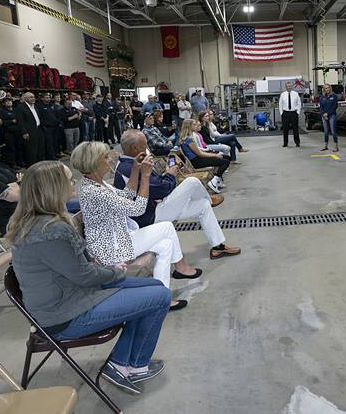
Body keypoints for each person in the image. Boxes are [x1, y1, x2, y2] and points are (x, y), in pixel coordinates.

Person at [8, 160, 170, 395]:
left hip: (71, 296)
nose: (74, 182)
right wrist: (122, 268)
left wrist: (106, 265)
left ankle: (124, 363)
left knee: (154, 287)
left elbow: (78, 267)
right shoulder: (50, 229)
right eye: (69, 180)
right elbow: (84, 275)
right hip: (65, 315)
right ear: (54, 187)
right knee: (160, 295)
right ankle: (128, 365)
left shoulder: (42, 220)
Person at [72, 141, 199, 311]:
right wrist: (144, 177)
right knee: (167, 227)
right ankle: (180, 267)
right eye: (105, 157)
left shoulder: (95, 184)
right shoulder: (95, 191)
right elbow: (137, 209)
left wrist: (135, 169)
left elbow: (126, 195)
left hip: (117, 239)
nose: (109, 159)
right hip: (111, 249)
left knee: (166, 245)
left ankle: (162, 298)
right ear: (95, 163)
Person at [115, 130, 241, 260]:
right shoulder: (130, 168)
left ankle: (218, 247)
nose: (147, 148)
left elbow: (153, 187)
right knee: (192, 182)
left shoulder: (128, 164)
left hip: (153, 208)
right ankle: (208, 199)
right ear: (134, 148)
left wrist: (165, 175)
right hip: (150, 215)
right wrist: (170, 174)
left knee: (203, 206)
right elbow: (162, 189)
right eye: (144, 145)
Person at [180, 119, 228, 193]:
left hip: (196, 159)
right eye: (194, 125)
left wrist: (214, 154)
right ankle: (214, 181)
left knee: (225, 158)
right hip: (196, 161)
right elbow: (200, 154)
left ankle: (216, 180)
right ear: (189, 126)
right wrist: (215, 155)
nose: (195, 126)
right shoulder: (189, 139)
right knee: (225, 162)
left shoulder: (185, 138)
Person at [15, 92, 45, 166]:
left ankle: (40, 166)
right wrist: (24, 132)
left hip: (38, 129)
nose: (33, 98)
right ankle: (32, 166)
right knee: (31, 151)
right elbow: (20, 121)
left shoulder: (35, 106)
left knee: (40, 149)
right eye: (31, 97)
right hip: (29, 132)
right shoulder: (20, 107)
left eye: (33, 97)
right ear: (25, 98)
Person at [0, 97, 25, 169]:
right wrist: (11, 121)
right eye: (7, 102)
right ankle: (12, 164)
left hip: (18, 132)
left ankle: (20, 162)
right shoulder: (1, 112)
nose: (9, 102)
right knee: (11, 148)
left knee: (19, 147)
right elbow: (1, 122)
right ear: (3, 104)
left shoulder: (16, 110)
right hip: (8, 133)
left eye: (10, 101)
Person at [36, 93, 60, 160]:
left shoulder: (52, 105)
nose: (48, 99)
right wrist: (43, 126)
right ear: (42, 98)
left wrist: (58, 122)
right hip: (47, 127)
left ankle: (55, 154)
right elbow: (40, 117)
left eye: (49, 97)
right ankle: (51, 157)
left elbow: (57, 115)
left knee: (55, 142)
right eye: (46, 97)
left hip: (55, 126)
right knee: (49, 143)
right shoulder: (39, 106)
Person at [278, 82, 302, 148]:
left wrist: (298, 112)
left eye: (290, 86)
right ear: (285, 87)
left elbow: (299, 103)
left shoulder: (296, 94)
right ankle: (285, 143)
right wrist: (281, 113)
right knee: (285, 129)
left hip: (294, 113)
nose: (289, 87)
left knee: (295, 129)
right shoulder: (283, 94)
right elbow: (280, 104)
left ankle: (297, 143)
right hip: (285, 113)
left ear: (292, 86)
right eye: (287, 86)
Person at [319, 84, 340, 152]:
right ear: (324, 89)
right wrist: (323, 114)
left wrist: (327, 114)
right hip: (324, 116)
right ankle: (325, 146)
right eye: (325, 88)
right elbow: (321, 107)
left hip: (332, 115)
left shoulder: (334, 96)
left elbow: (334, 107)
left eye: (328, 88)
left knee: (333, 131)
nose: (327, 89)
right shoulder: (322, 97)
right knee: (325, 132)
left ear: (330, 88)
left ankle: (336, 146)